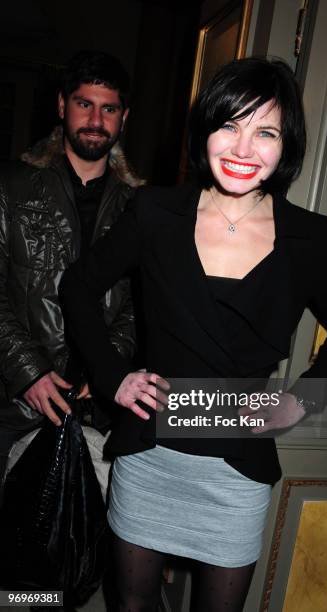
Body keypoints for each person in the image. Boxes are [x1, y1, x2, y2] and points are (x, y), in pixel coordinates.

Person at [60, 57, 327, 612]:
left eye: (266, 132)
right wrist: (113, 378)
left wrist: (301, 400)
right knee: (132, 604)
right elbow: (78, 289)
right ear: (205, 129)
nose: (243, 148)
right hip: (150, 449)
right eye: (229, 124)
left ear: (286, 147)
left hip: (236, 465)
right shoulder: (156, 211)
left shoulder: (308, 238)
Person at [0, 49, 141, 496]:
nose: (96, 119)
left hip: (100, 411)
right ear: (62, 107)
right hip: (14, 404)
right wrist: (30, 373)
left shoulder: (142, 207)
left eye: (109, 108)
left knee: (87, 555)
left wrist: (103, 365)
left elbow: (144, 303)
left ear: (123, 117)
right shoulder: (11, 187)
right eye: (84, 104)